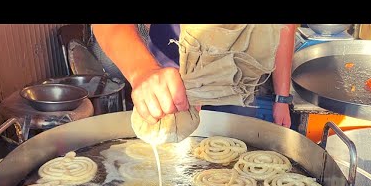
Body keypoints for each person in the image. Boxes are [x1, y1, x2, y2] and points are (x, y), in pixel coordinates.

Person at [91, 24, 295, 128]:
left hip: (235, 86)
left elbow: (283, 29)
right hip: (167, 77)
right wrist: (143, 71)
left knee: (231, 168)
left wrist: (282, 97)